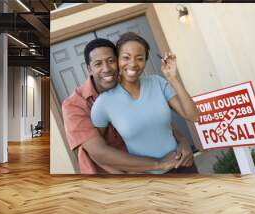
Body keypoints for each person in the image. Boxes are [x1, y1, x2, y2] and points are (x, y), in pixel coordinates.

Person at [62, 38, 194, 174]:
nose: (106, 69)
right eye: (98, 64)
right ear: (89, 69)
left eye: (111, 61)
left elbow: (154, 120)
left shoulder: (132, 84)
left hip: (156, 168)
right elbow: (99, 152)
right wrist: (158, 164)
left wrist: (182, 141)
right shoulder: (73, 106)